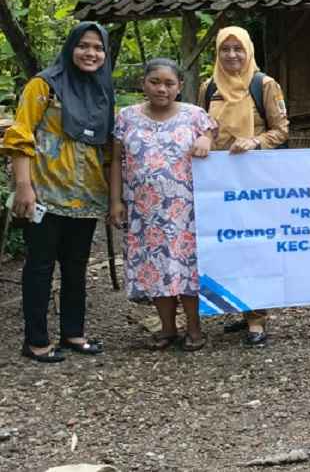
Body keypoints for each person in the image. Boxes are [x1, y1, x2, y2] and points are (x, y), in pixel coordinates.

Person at [2, 22, 114, 363]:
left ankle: (73, 333)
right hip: (45, 192)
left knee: (76, 266)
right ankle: (36, 341)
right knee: (40, 266)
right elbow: (20, 135)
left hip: (86, 194)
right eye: (83, 46)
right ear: (70, 48)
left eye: (97, 48)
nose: (90, 53)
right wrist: (24, 187)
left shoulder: (102, 92)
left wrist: (113, 197)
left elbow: (108, 150)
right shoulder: (44, 85)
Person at [110, 59, 216, 351]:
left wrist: (206, 139)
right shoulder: (126, 117)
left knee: (188, 269)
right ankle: (168, 328)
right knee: (155, 268)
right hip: (144, 211)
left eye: (169, 83)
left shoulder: (195, 116)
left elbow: (211, 134)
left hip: (186, 211)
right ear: (144, 83)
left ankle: (194, 328)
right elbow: (116, 161)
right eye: (155, 81)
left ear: (180, 87)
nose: (162, 89)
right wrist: (116, 200)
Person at [199, 26, 289, 346]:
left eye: (238, 49)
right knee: (229, 245)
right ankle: (241, 306)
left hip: (255, 181)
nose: (232, 55)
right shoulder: (208, 87)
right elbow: (204, 127)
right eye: (226, 49)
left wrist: (255, 141)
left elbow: (281, 130)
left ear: (249, 51)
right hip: (218, 183)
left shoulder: (264, 85)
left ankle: (257, 317)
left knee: (255, 246)